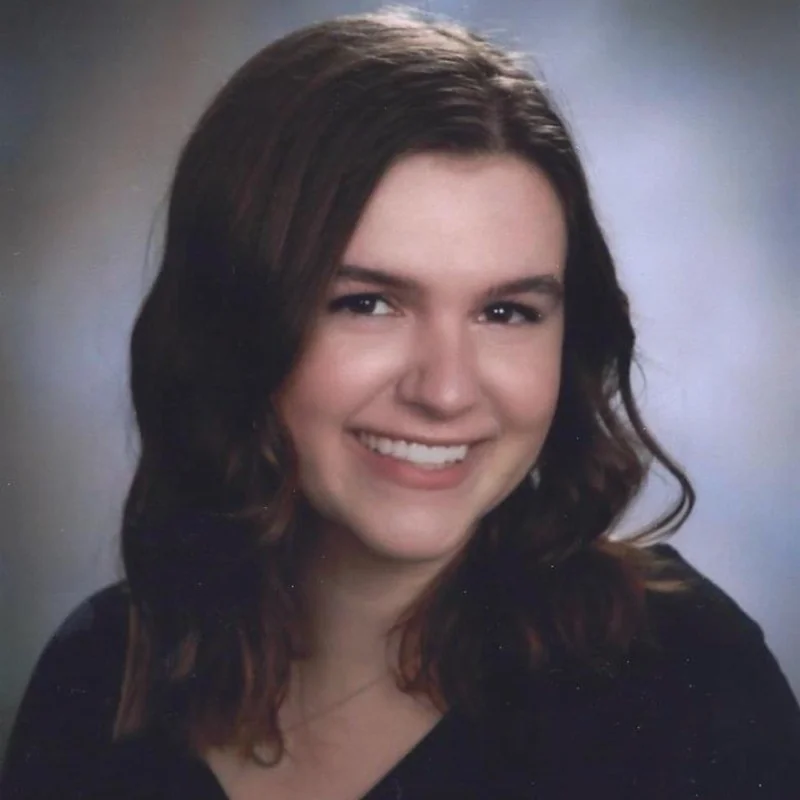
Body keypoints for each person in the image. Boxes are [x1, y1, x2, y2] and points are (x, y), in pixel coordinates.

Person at [2, 8, 799, 799]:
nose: (446, 390)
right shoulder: (99, 676)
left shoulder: (686, 678)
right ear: (233, 320)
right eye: (369, 303)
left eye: (506, 312)